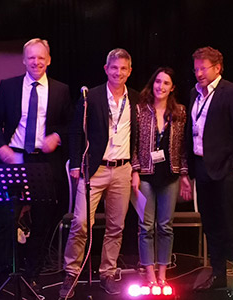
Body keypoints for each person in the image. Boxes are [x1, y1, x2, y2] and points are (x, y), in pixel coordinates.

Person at [0, 38, 72, 297]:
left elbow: (70, 126)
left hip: (44, 163)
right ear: (24, 60)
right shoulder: (9, 87)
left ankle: (32, 274)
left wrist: (57, 137)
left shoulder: (61, 90)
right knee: (3, 223)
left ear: (49, 60)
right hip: (13, 160)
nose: (36, 62)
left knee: (42, 222)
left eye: (41, 57)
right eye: (31, 58)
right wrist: (1, 148)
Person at [59, 48, 138, 298]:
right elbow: (75, 132)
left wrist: (136, 168)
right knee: (81, 222)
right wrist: (74, 163)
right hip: (94, 168)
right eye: (114, 67)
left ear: (129, 71)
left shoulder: (136, 99)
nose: (118, 72)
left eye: (123, 68)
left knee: (116, 226)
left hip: (123, 169)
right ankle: (71, 273)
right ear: (106, 69)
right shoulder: (90, 97)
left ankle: (108, 271)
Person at [186, 46, 233, 299]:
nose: (199, 73)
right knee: (211, 224)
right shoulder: (194, 93)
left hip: (225, 169)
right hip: (202, 168)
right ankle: (218, 274)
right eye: (196, 68)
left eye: (204, 68)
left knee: (232, 225)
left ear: (217, 68)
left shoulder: (232, 92)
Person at [131, 67, 192, 287]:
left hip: (171, 176)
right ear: (152, 83)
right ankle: (149, 276)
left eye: (166, 83)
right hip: (145, 176)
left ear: (172, 88)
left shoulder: (180, 112)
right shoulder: (139, 110)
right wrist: (135, 171)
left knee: (165, 226)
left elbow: (184, 148)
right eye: (158, 82)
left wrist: (184, 174)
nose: (161, 87)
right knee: (146, 226)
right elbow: (133, 145)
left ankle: (162, 275)